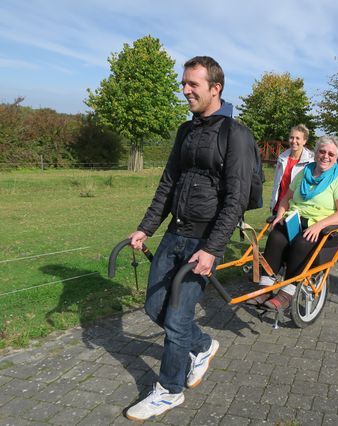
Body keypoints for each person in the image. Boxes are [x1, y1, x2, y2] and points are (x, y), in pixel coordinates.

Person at [125, 56, 256, 421]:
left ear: (215, 88)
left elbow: (236, 198)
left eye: (192, 85)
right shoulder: (185, 131)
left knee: (178, 319)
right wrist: (146, 227)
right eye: (184, 83)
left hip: (203, 240)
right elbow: (168, 184)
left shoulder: (236, 135)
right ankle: (203, 346)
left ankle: (169, 391)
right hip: (174, 234)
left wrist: (212, 249)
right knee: (154, 307)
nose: (184, 90)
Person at [251, 136, 338, 310]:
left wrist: (319, 225)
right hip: (296, 221)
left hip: (323, 228)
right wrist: (280, 215)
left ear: (336, 158)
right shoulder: (304, 174)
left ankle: (287, 293)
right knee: (276, 236)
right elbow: (286, 198)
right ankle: (265, 288)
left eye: (331, 154)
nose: (325, 156)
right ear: (315, 153)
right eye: (322, 151)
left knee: (302, 242)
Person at [269, 124, 315, 214]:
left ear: (304, 141)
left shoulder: (312, 161)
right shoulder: (282, 158)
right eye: (291, 137)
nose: (294, 141)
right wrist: (272, 203)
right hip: (279, 206)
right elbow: (277, 184)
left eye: (298, 138)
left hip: (297, 209)